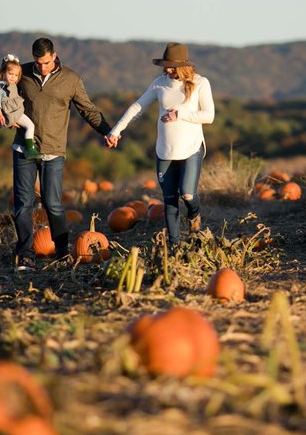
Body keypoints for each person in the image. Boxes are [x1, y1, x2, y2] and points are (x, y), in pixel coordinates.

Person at [11, 37, 112, 271]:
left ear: (54, 56)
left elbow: (87, 109)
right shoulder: (22, 73)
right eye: (38, 63)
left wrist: (106, 130)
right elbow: (2, 92)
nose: (42, 67)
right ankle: (26, 255)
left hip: (53, 151)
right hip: (23, 148)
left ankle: (61, 250)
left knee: (52, 203)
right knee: (23, 204)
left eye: (46, 62)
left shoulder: (71, 79)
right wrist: (2, 115)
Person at [105, 42, 215, 247]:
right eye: (165, 65)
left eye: (171, 65)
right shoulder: (159, 83)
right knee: (170, 199)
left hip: (191, 148)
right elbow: (137, 107)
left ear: (182, 65)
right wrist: (116, 130)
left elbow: (209, 116)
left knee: (188, 194)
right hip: (165, 150)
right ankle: (175, 245)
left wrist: (180, 114)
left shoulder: (201, 83)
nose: (167, 69)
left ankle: (194, 215)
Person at [0, 54, 41, 160]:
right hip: (12, 113)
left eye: (16, 75)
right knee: (30, 126)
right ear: (3, 72)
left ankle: (30, 148)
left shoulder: (11, 84)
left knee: (29, 125)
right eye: (10, 74)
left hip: (15, 112)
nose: (13, 77)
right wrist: (0, 115)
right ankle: (30, 149)